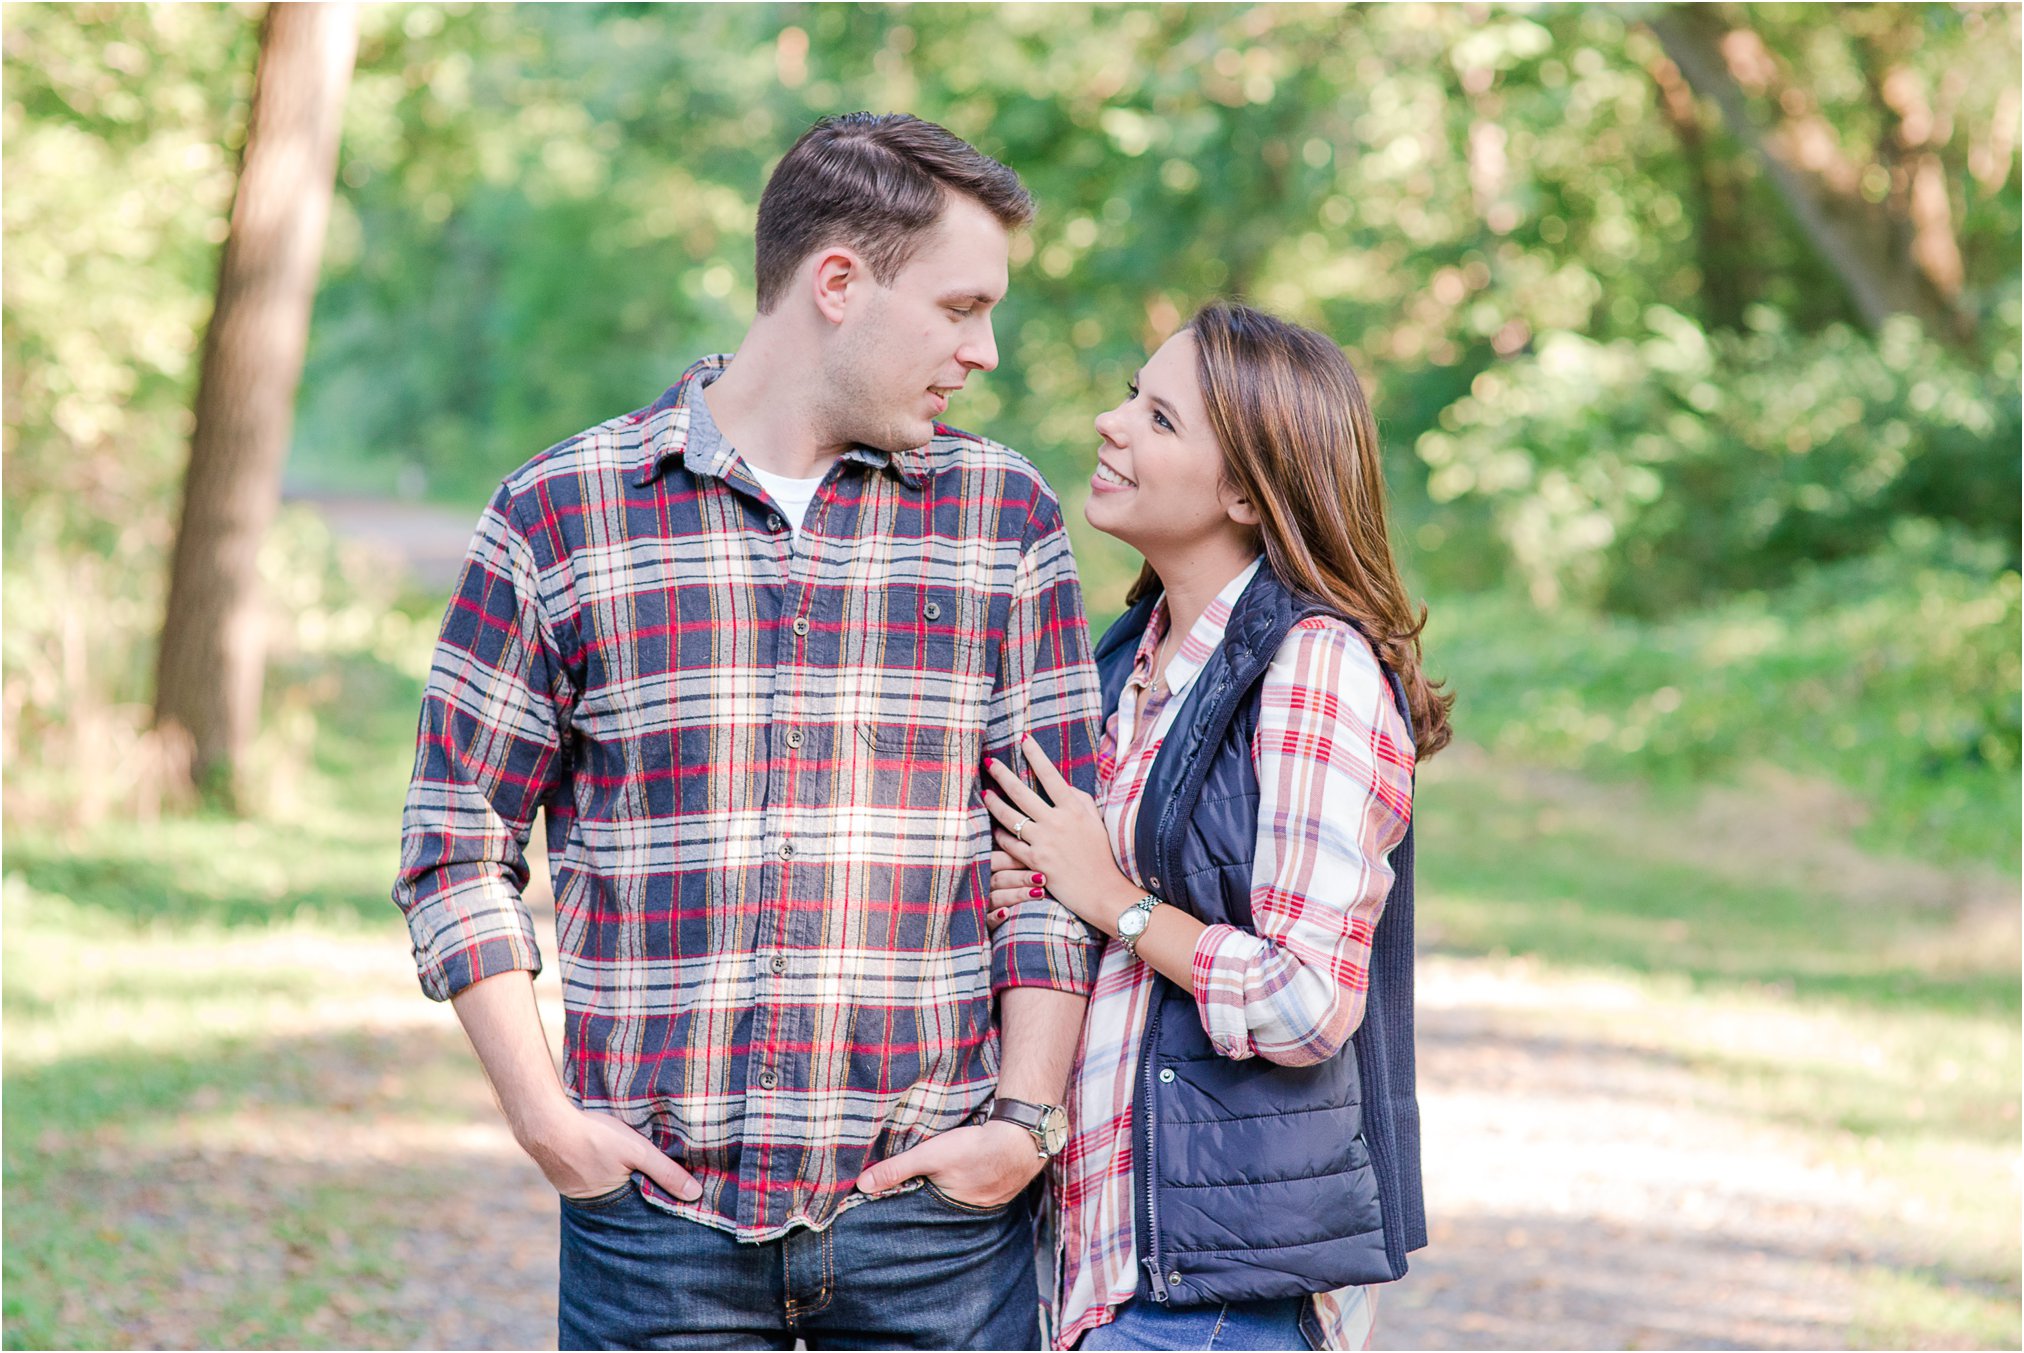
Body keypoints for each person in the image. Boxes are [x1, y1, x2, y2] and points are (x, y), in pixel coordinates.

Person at [393, 112, 1105, 1350]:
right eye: (957, 307)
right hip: (656, 1228)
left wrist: (1023, 1125)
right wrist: (546, 1122)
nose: (982, 351)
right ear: (838, 283)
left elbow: (1053, 853)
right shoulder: (562, 516)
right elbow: (456, 849)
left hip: (937, 1224)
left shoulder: (1003, 517)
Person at [983, 302, 1452, 1350]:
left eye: (1157, 419)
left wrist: (1108, 897)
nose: (1110, 425)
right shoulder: (1119, 666)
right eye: (1127, 397)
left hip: (1215, 1296)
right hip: (1096, 1269)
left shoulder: (1310, 665)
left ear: (1246, 489)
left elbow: (1304, 1000)